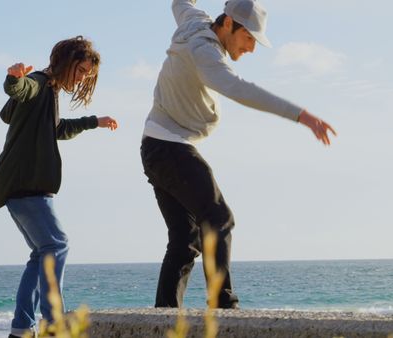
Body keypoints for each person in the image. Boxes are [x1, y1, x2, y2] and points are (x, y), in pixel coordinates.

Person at [140, 0, 337, 309]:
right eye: (248, 38)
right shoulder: (206, 54)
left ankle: (164, 316)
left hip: (156, 147)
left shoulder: (193, 19)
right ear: (229, 23)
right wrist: (301, 115)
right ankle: (223, 306)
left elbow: (181, 2)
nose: (251, 49)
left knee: (185, 239)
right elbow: (240, 89)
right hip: (169, 146)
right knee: (219, 218)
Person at [0, 36, 118, 338]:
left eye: (88, 74)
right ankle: (52, 323)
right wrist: (14, 78)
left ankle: (22, 328)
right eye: (81, 70)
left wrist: (93, 122)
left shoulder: (52, 94)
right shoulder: (39, 82)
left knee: (41, 254)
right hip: (26, 186)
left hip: (21, 187)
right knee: (56, 245)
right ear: (65, 62)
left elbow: (56, 129)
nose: (83, 77)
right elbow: (21, 89)